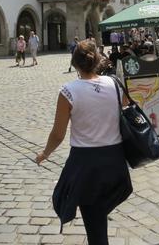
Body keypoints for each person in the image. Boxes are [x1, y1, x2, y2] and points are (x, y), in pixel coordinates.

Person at [36, 40, 132, 244]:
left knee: (94, 222)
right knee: (98, 215)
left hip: (86, 163)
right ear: (97, 60)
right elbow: (125, 107)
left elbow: (58, 134)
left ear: (74, 63)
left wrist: (45, 153)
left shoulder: (69, 91)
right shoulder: (114, 83)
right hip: (115, 160)